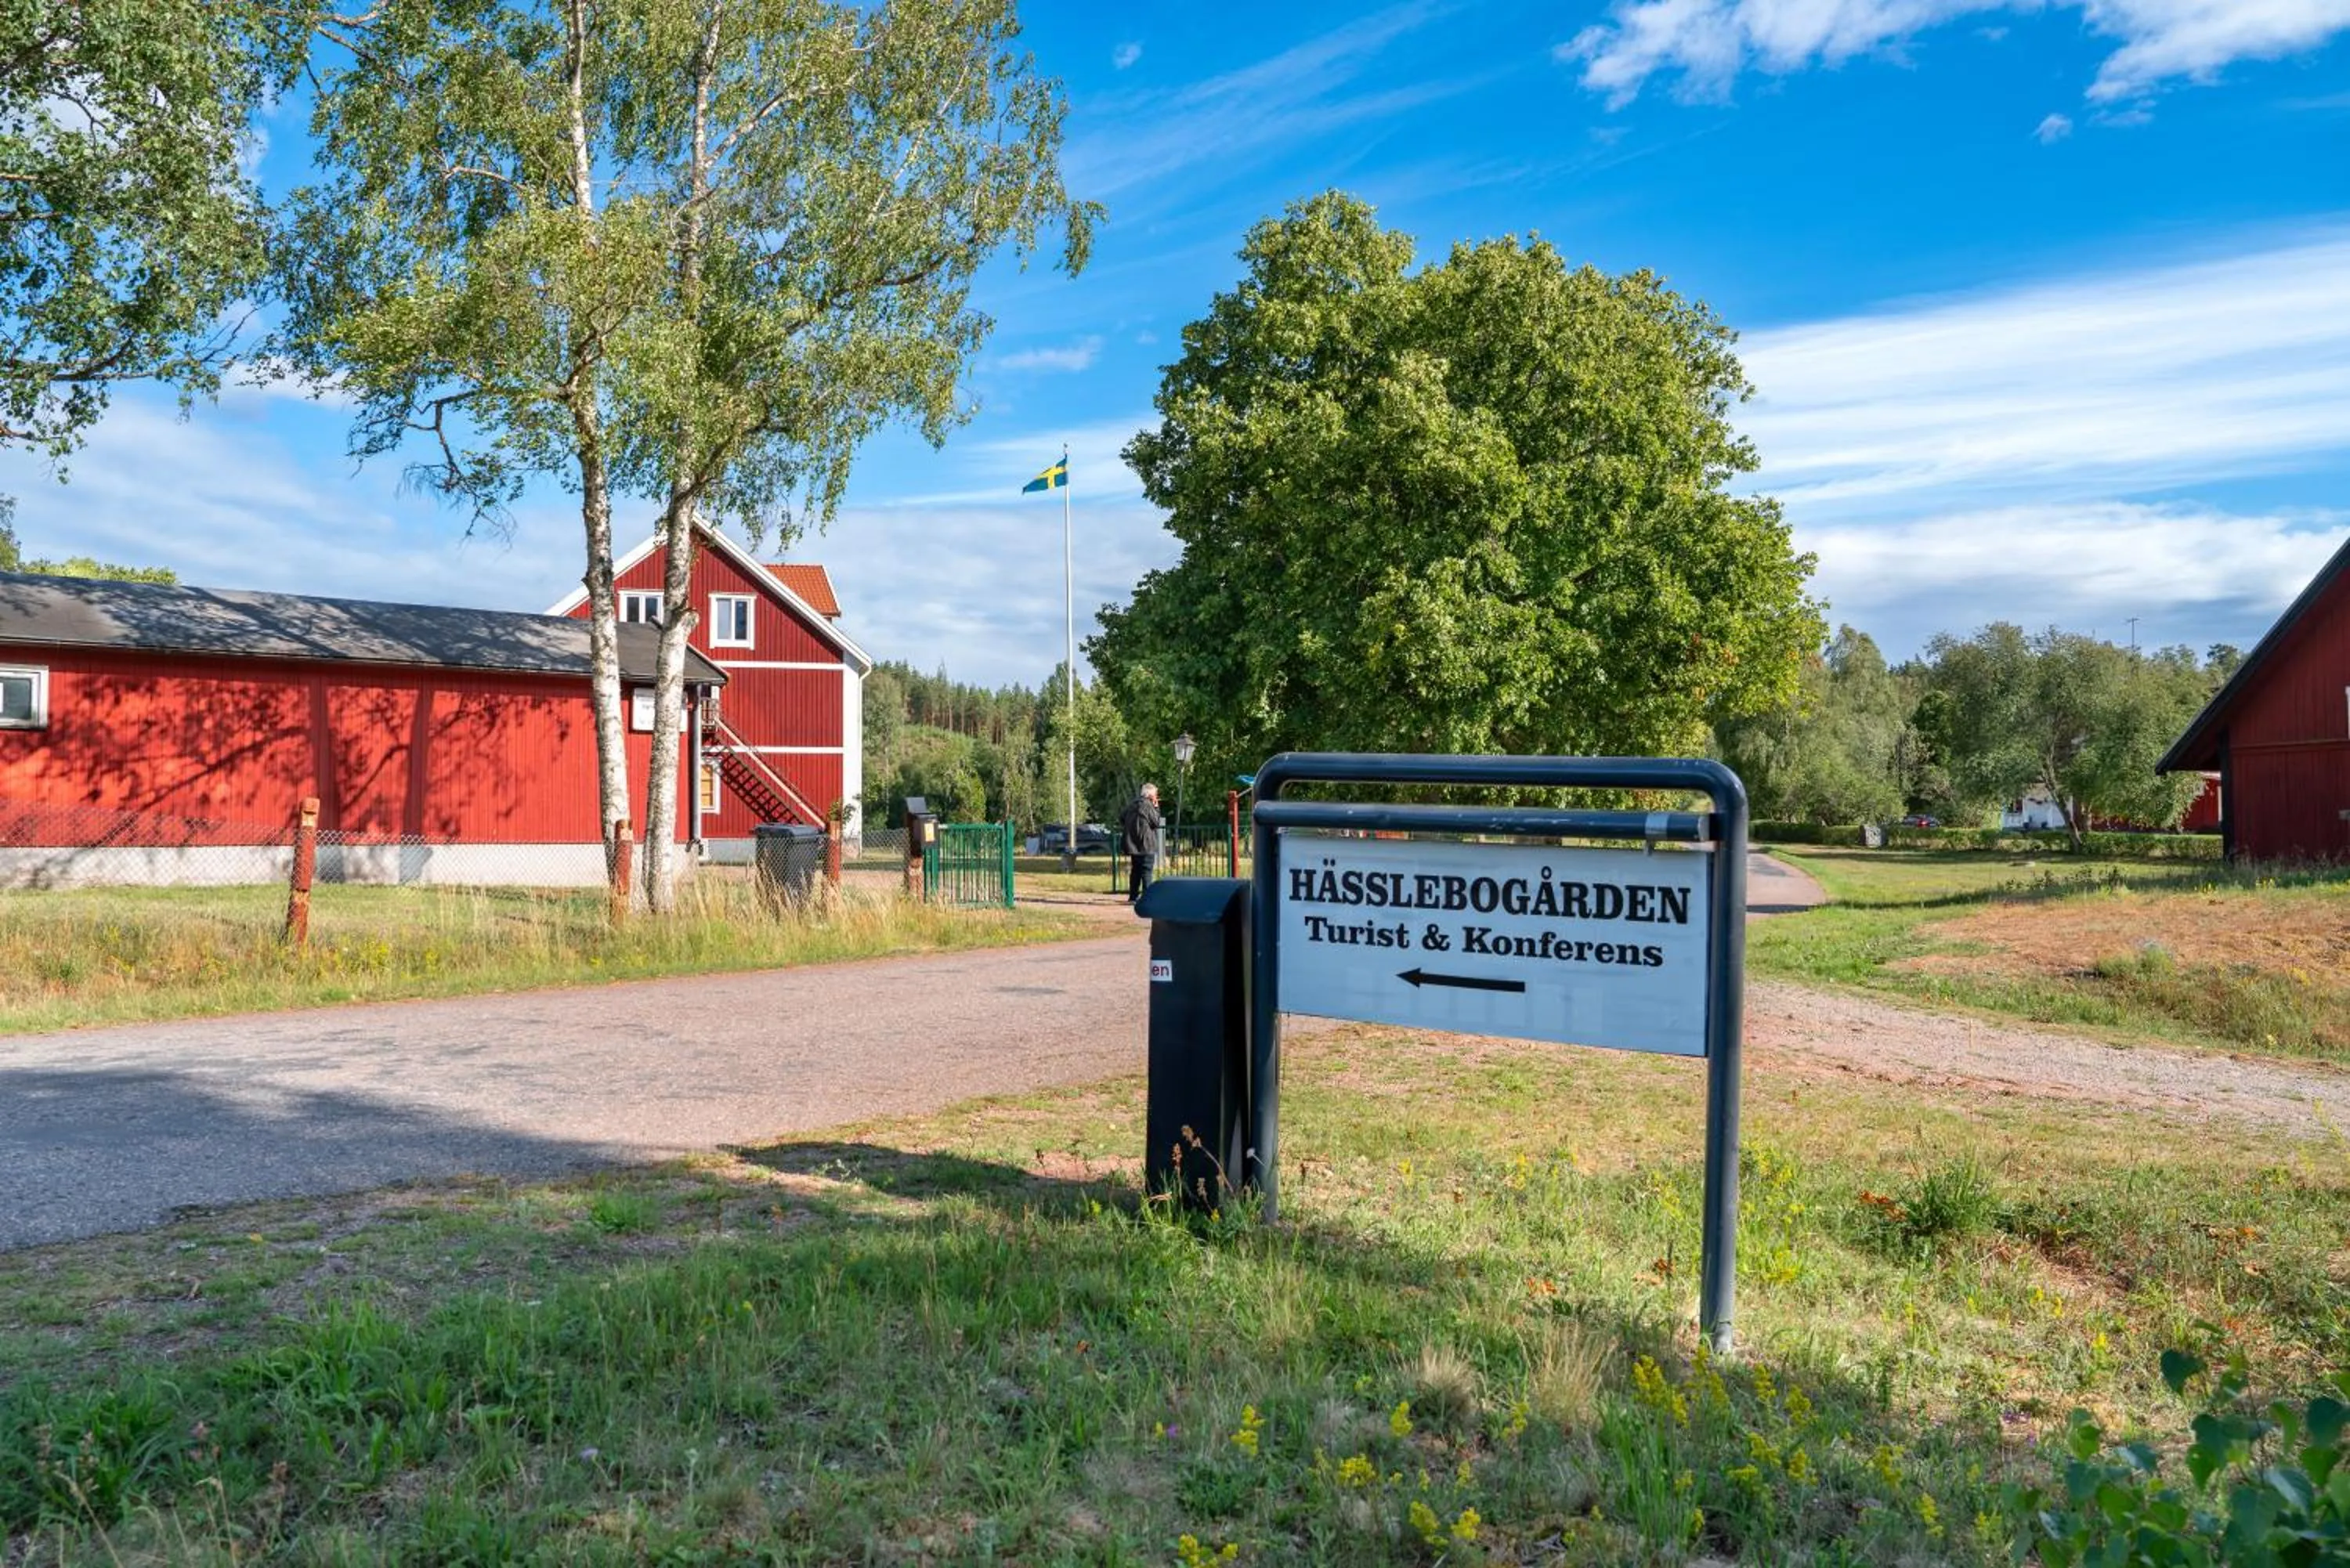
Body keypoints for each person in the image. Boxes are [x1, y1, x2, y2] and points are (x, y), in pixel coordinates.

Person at [1119, 782, 1162, 904]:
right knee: (1147, 871)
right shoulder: (1148, 805)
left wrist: (1130, 827)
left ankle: (1133, 897)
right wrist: (1157, 807)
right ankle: (1147, 899)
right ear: (1150, 794)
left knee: (1136, 871)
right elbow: (1156, 823)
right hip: (1146, 844)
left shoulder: (1132, 804)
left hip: (1133, 844)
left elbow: (1121, 818)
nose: (1156, 796)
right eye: (1155, 794)